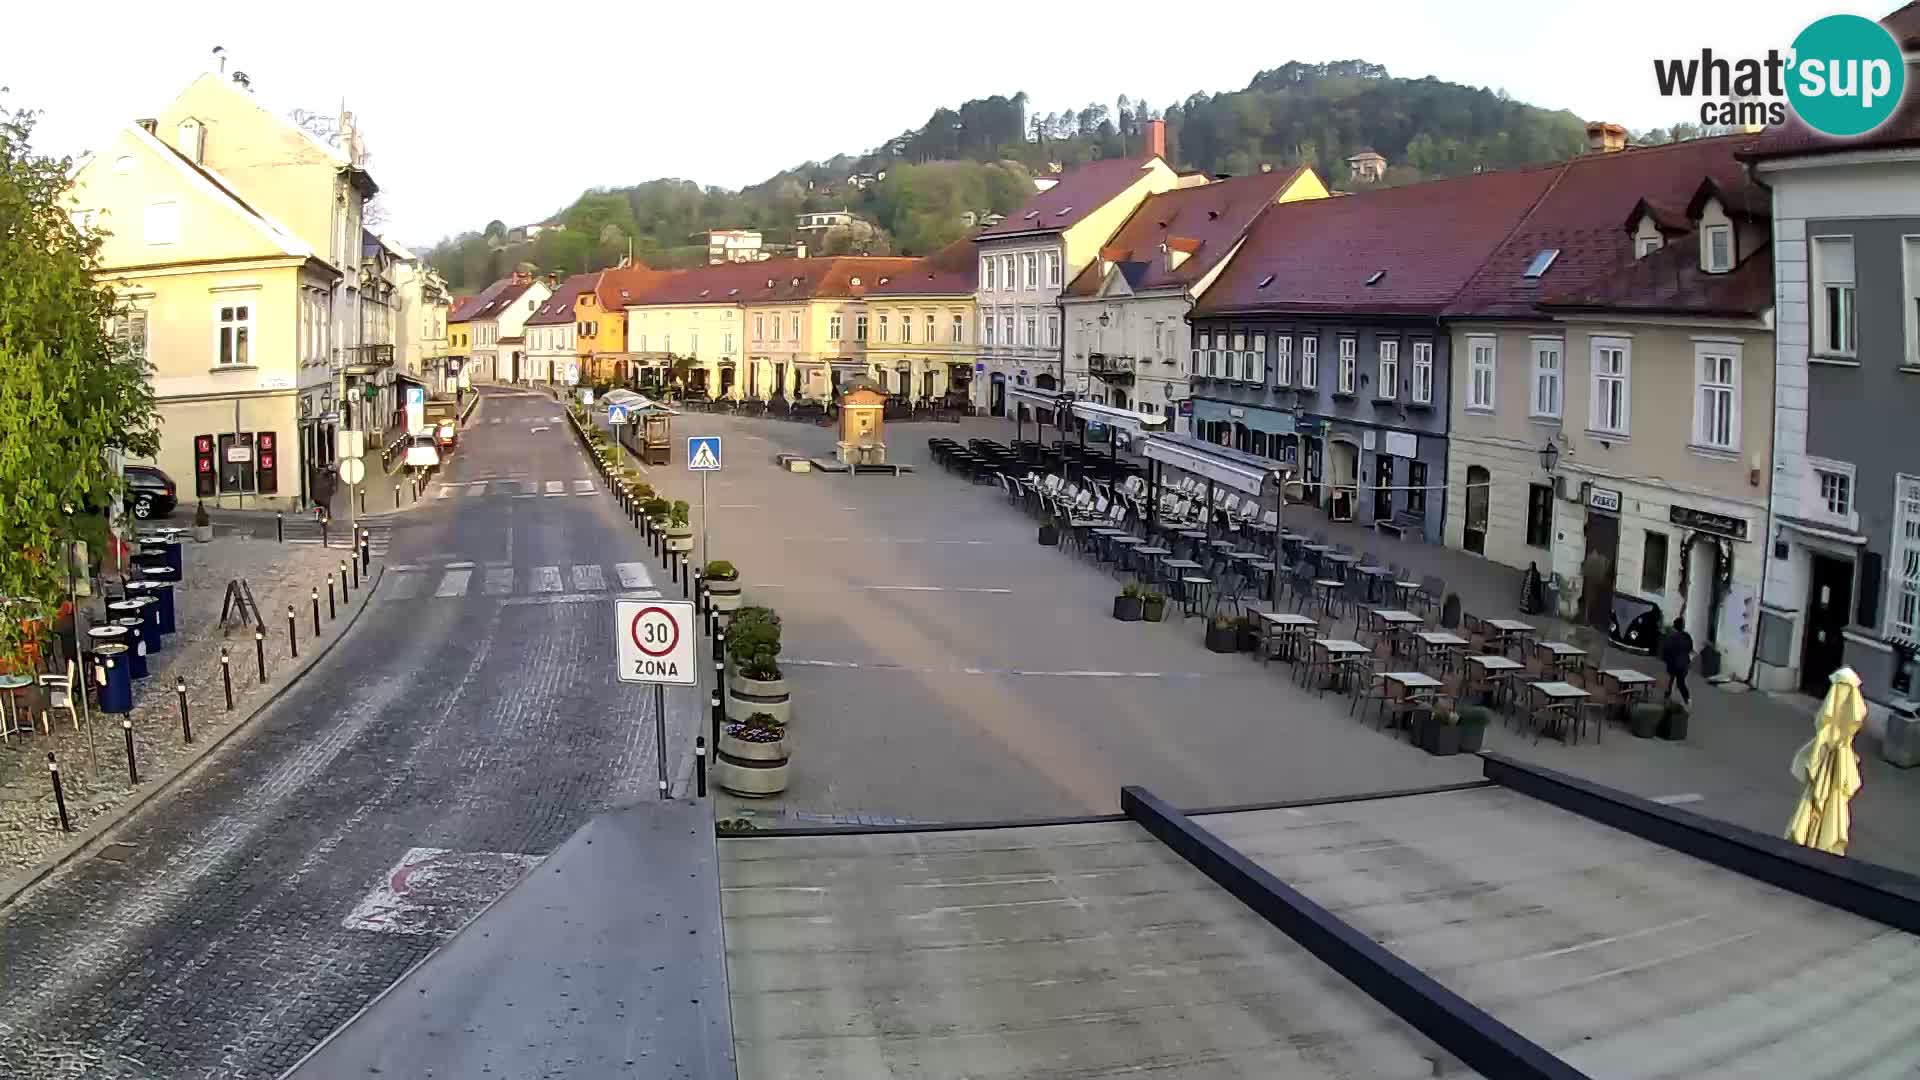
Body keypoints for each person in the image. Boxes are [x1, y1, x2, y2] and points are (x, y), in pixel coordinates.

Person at [1659, 617, 1695, 705]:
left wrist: (1665, 659)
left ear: (1674, 626)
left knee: (1670, 681)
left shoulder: (1671, 636)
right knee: (1680, 682)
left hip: (1673, 663)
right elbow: (1690, 648)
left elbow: (1666, 649)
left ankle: (1667, 698)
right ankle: (1687, 699)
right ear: (1682, 626)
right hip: (1683, 664)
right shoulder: (1687, 636)